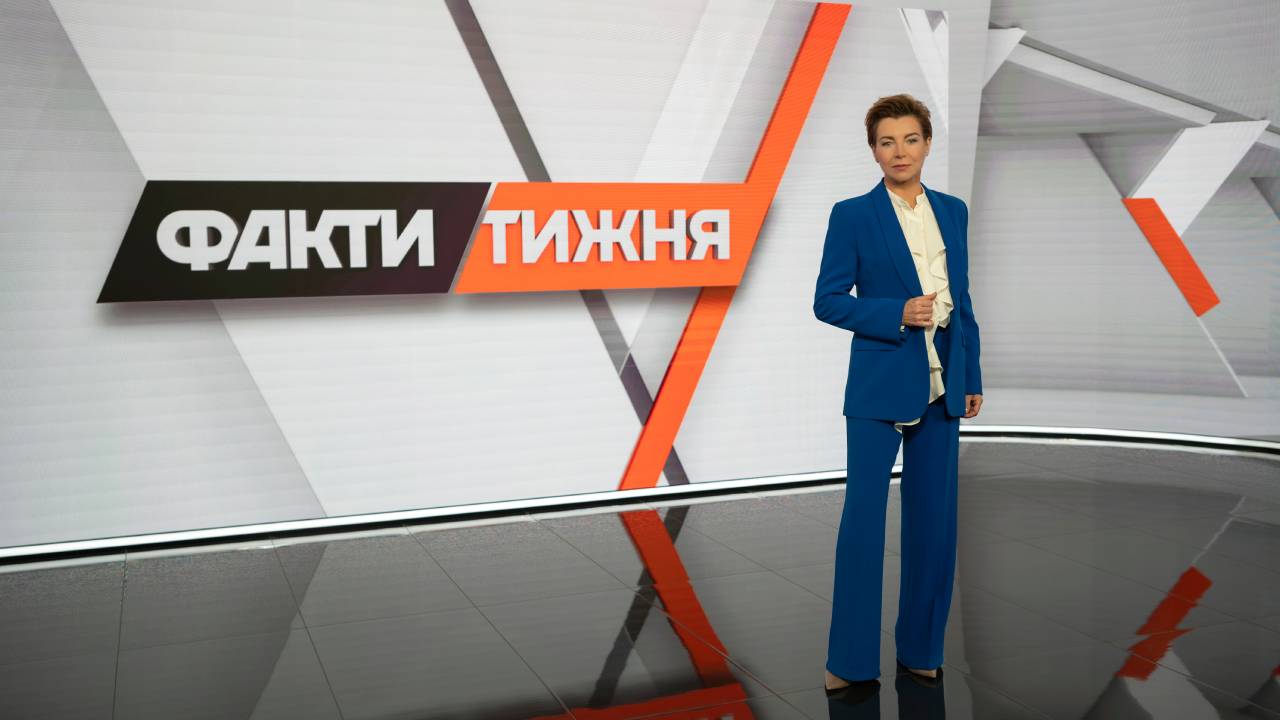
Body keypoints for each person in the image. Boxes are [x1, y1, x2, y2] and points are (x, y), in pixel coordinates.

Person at [812, 94, 983, 692]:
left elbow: (963, 299)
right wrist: (896, 313)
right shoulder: (852, 215)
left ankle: (921, 648)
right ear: (874, 151)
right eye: (887, 142)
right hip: (879, 385)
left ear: (927, 144)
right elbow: (827, 301)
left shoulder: (954, 211)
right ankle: (849, 661)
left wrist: (972, 376)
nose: (900, 151)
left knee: (934, 526)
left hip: (943, 386)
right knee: (863, 524)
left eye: (910, 139)